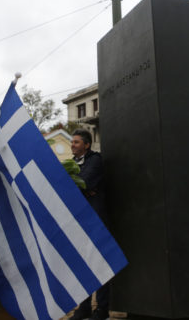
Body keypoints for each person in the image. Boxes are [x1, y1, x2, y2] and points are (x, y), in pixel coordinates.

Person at [69, 130, 109, 320]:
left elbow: (82, 182)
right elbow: (67, 186)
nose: (72, 145)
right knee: (83, 265)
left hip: (96, 220)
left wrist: (83, 189)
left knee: (99, 264)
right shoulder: (71, 163)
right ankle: (83, 307)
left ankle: (102, 309)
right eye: (72, 142)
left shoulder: (95, 160)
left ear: (86, 145)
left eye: (76, 142)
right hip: (80, 221)